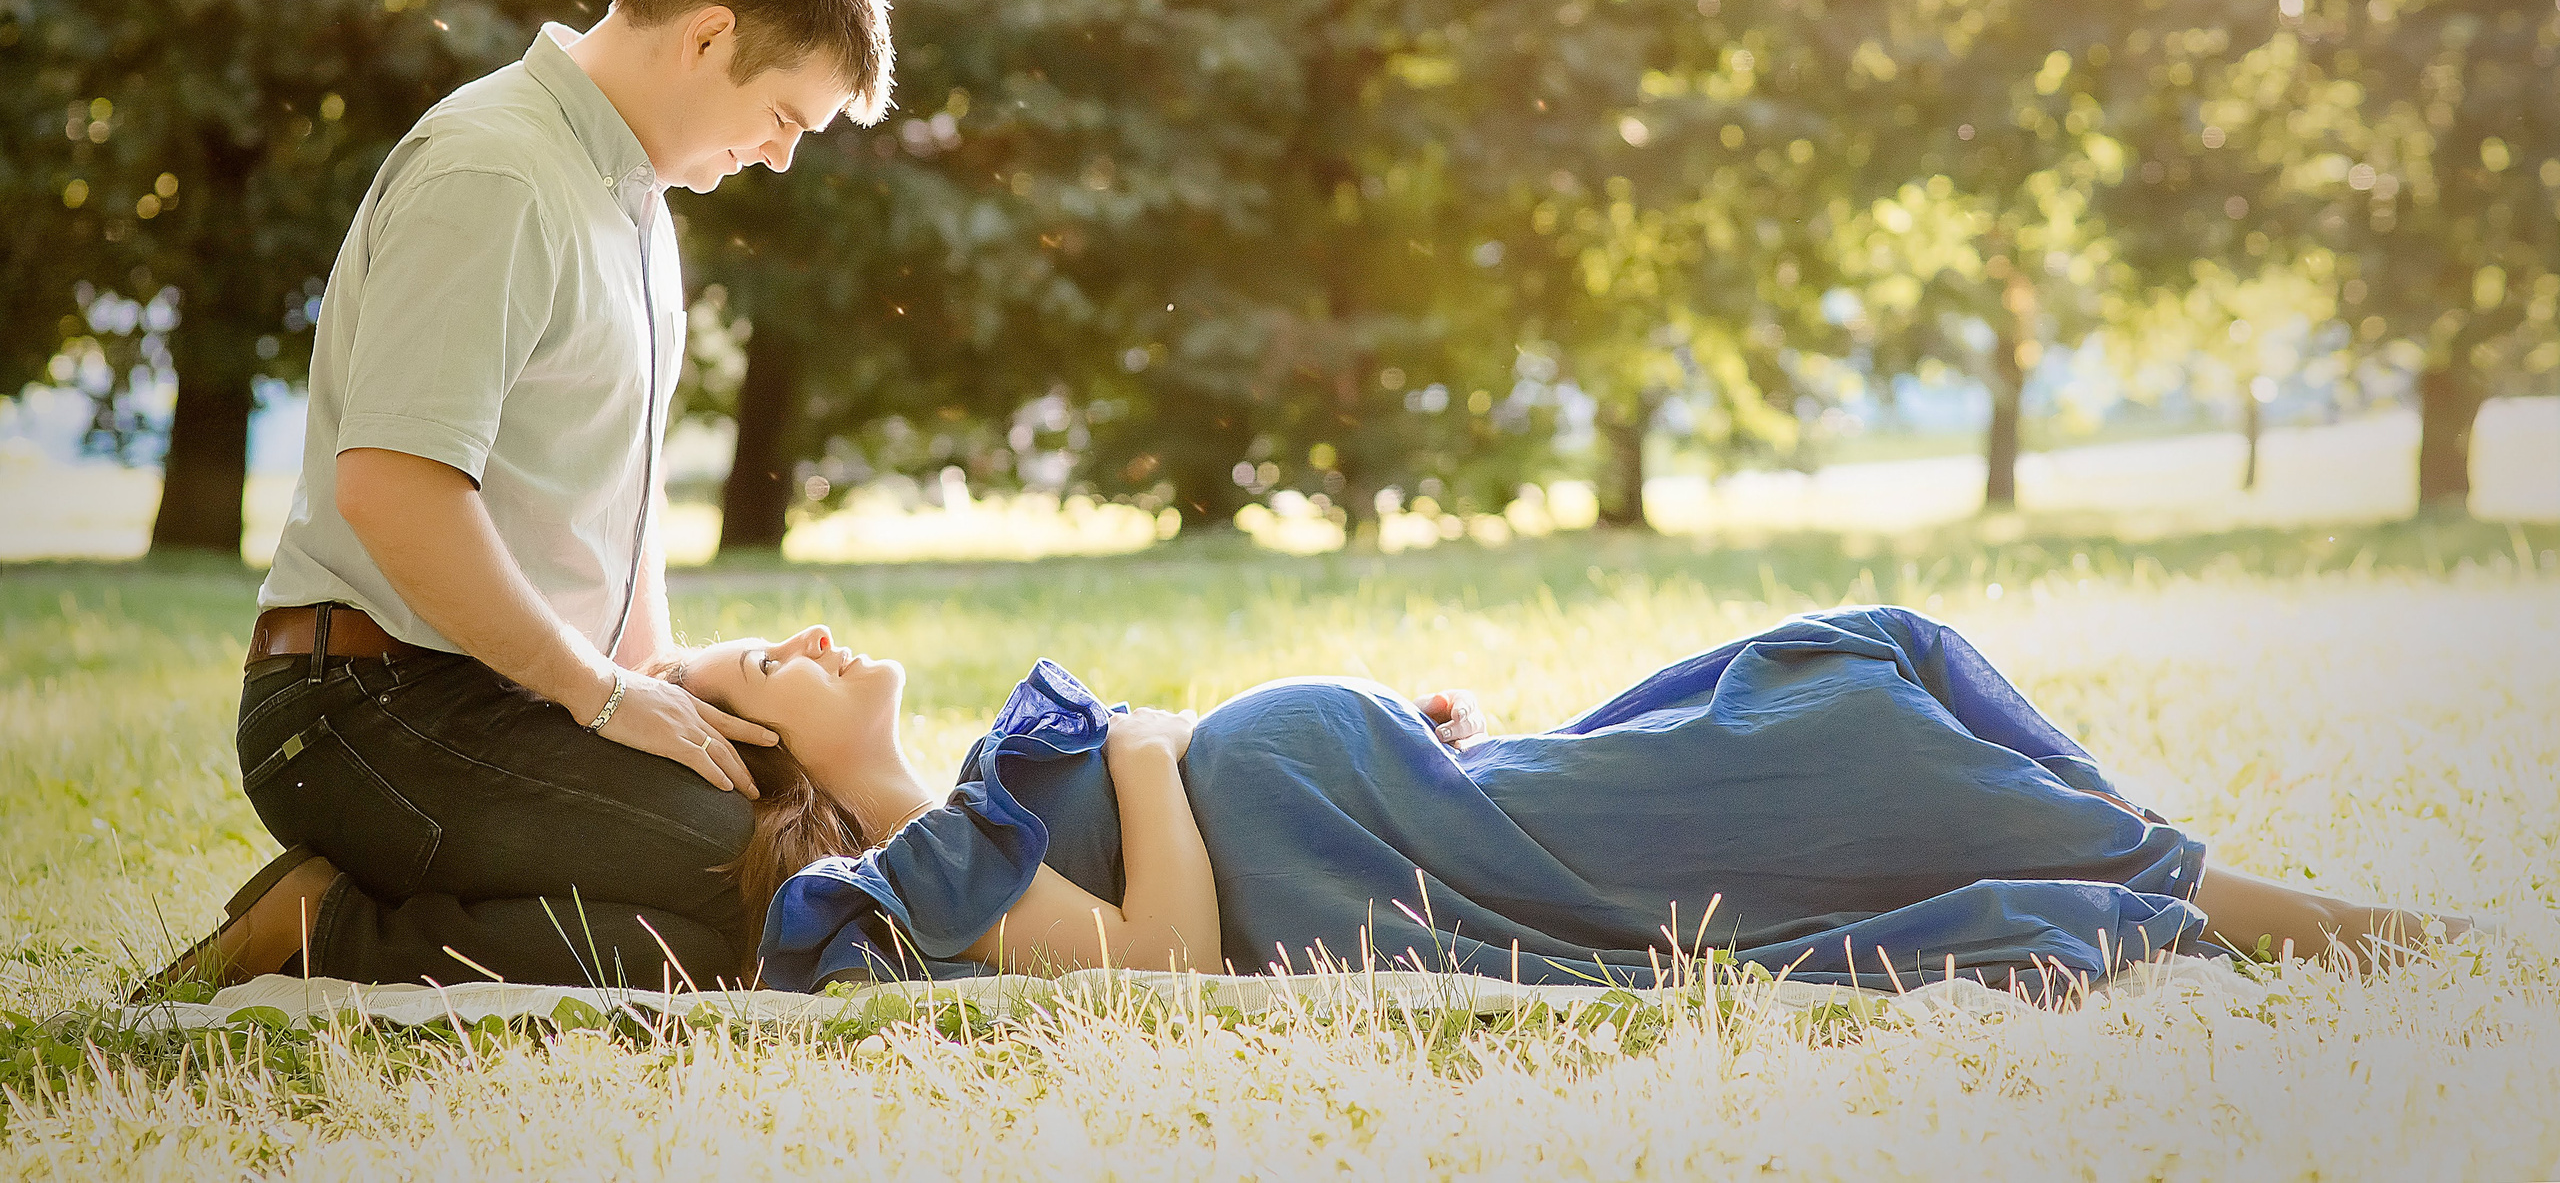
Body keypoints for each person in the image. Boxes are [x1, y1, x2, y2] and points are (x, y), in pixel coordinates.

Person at [145, 0, 896, 997]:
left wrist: (693, 689)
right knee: (759, 881)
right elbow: (395, 489)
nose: (781, 155)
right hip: (364, 707)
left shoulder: (637, 209)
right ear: (709, 35)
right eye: (785, 116)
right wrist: (600, 694)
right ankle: (321, 927)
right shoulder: (496, 172)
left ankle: (376, 908)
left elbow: (611, 548)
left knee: (800, 844)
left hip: (514, 697)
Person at [674, 607, 2471, 995]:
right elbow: (1167, 965)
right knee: (1867, 753)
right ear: (780, 759)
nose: (802, 639)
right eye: (763, 665)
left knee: (1864, 663)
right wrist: (1155, 747)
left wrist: (1411, 747)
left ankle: (2260, 895)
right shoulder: (928, 869)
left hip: (1470, 796)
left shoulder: (952, 806)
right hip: (1488, 864)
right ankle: (2393, 936)